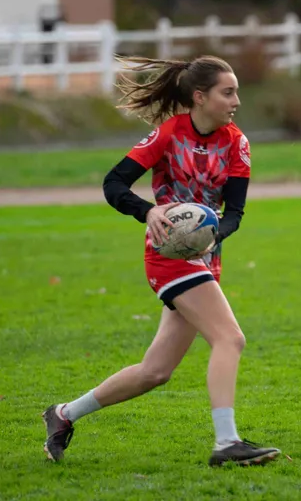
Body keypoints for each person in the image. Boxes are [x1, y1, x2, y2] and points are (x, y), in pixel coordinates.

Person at [40, 55, 280, 467]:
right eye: (227, 92)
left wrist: (212, 235)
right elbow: (114, 183)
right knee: (230, 339)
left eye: (237, 92)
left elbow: (235, 214)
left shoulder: (236, 143)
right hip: (168, 257)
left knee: (156, 371)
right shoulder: (168, 134)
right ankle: (227, 443)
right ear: (200, 97)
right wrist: (148, 211)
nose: (236, 101)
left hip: (205, 259)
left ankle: (63, 415)